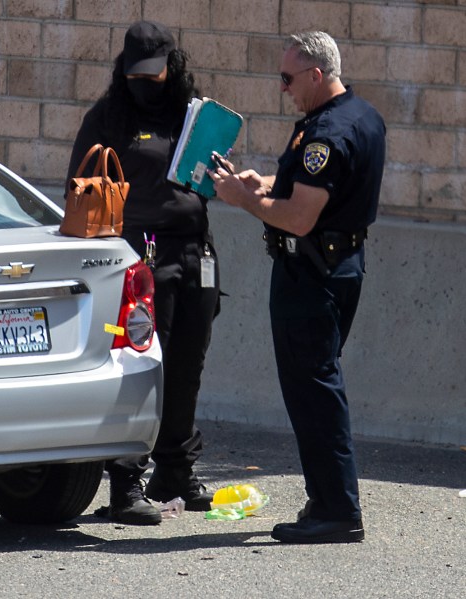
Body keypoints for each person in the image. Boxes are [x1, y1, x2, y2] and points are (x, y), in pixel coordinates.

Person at [210, 31, 386, 543]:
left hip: (310, 275)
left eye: (288, 78)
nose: (282, 87)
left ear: (315, 74)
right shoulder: (360, 116)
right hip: (340, 267)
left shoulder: (326, 135)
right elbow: (325, 197)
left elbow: (302, 218)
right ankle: (328, 499)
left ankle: (336, 509)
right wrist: (265, 185)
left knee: (313, 392)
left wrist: (243, 202)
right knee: (317, 385)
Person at [67, 21, 220, 525]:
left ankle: (175, 469)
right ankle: (126, 480)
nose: (145, 83)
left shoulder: (192, 117)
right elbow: (81, 188)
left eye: (153, 74)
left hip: (195, 250)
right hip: (142, 254)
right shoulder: (109, 118)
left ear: (171, 69)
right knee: (141, 367)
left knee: (186, 366)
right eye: (136, 74)